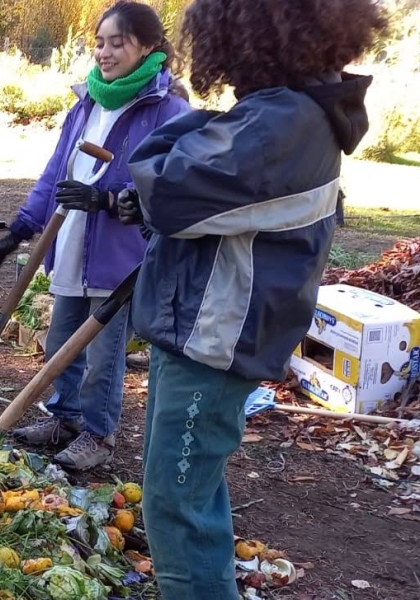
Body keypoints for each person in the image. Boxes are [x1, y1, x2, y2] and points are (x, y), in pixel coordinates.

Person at [121, 0, 384, 597]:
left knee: (175, 504)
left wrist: (190, 128)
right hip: (199, 328)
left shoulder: (280, 122)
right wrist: (206, 128)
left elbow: (168, 193)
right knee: (186, 489)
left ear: (250, 35)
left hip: (218, 337)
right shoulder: (279, 112)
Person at [0, 2, 190, 470]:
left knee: (103, 355)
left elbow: (170, 184)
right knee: (59, 342)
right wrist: (18, 229)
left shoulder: (166, 109)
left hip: (119, 256)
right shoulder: (87, 102)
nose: (105, 52)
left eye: (117, 43)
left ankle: (98, 434)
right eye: (100, 42)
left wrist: (108, 200)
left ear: (149, 47)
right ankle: (65, 418)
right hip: (72, 242)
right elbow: (56, 173)